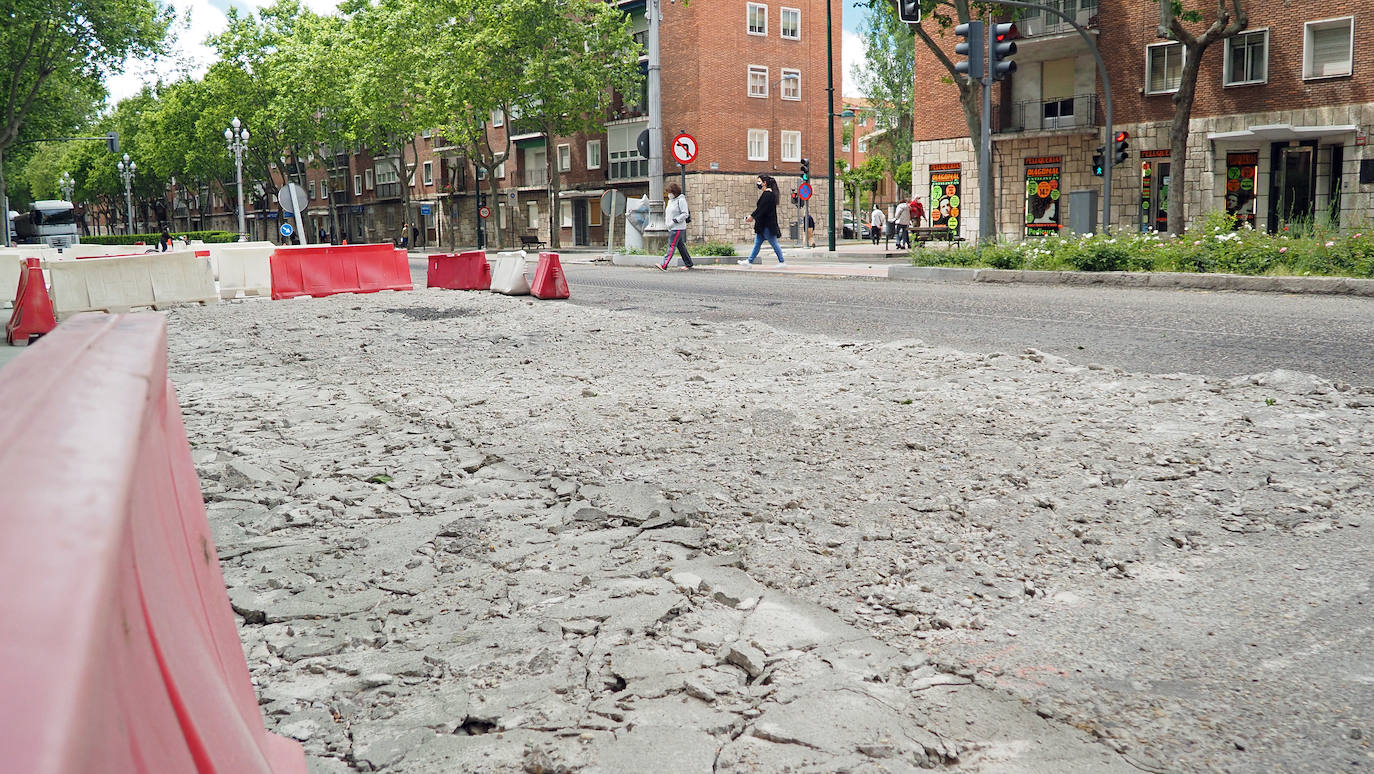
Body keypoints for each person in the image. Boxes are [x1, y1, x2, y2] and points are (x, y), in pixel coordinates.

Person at [739, 175, 785, 265]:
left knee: (774, 243)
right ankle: (749, 261)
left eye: (759, 182)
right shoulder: (768, 194)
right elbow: (761, 209)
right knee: (757, 244)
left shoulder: (768, 195)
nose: (758, 184)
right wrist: (753, 216)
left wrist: (752, 217)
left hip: (767, 225)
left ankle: (782, 262)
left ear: (765, 183)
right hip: (763, 225)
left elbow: (761, 209)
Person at [658, 182, 694, 271]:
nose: (669, 194)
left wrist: (675, 220)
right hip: (672, 227)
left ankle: (664, 264)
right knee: (680, 246)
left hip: (677, 227)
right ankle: (688, 263)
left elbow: (685, 213)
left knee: (672, 245)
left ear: (675, 192)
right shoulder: (671, 201)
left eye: (670, 192)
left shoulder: (681, 200)